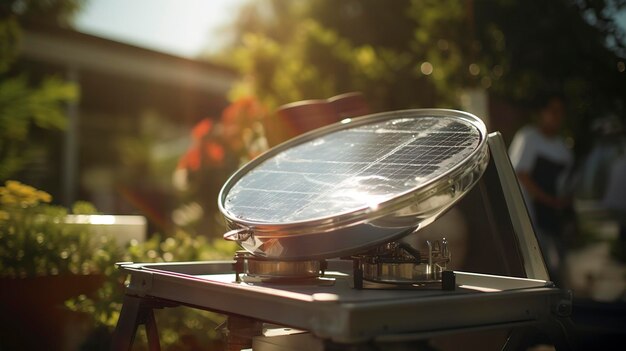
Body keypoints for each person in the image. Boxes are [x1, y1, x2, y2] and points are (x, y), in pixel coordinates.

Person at [508, 94, 575, 285]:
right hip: (528, 219)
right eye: (552, 111)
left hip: (553, 221)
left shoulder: (563, 148)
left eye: (560, 112)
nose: (556, 116)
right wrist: (550, 200)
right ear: (542, 113)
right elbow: (521, 175)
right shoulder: (528, 137)